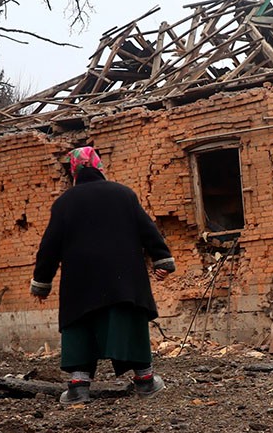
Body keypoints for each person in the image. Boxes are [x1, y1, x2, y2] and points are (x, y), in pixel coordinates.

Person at [30, 146, 175, 405]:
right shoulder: (123, 195)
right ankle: (145, 381)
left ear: (74, 171)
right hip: (124, 279)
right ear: (99, 167)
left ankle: (77, 388)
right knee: (129, 322)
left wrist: (42, 283)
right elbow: (147, 229)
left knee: (80, 327)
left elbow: (49, 247)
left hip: (80, 283)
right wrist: (162, 260)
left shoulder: (64, 204)